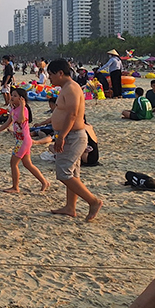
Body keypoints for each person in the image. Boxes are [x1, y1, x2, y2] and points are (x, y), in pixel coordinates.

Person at [46, 59, 102, 221]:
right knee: (73, 173)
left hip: (72, 135)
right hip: (70, 135)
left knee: (63, 173)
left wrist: (61, 136)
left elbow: (72, 114)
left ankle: (93, 201)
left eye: (51, 75)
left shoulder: (71, 88)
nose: (50, 78)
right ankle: (71, 207)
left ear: (60, 73)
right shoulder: (67, 88)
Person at [0, 88, 50, 193]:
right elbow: (7, 123)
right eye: (12, 95)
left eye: (15, 96)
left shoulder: (24, 109)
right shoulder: (13, 110)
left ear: (21, 99)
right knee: (27, 164)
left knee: (13, 163)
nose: (12, 97)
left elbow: (22, 120)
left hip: (24, 141)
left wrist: (22, 106)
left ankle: (15, 187)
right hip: (20, 141)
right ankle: (44, 182)